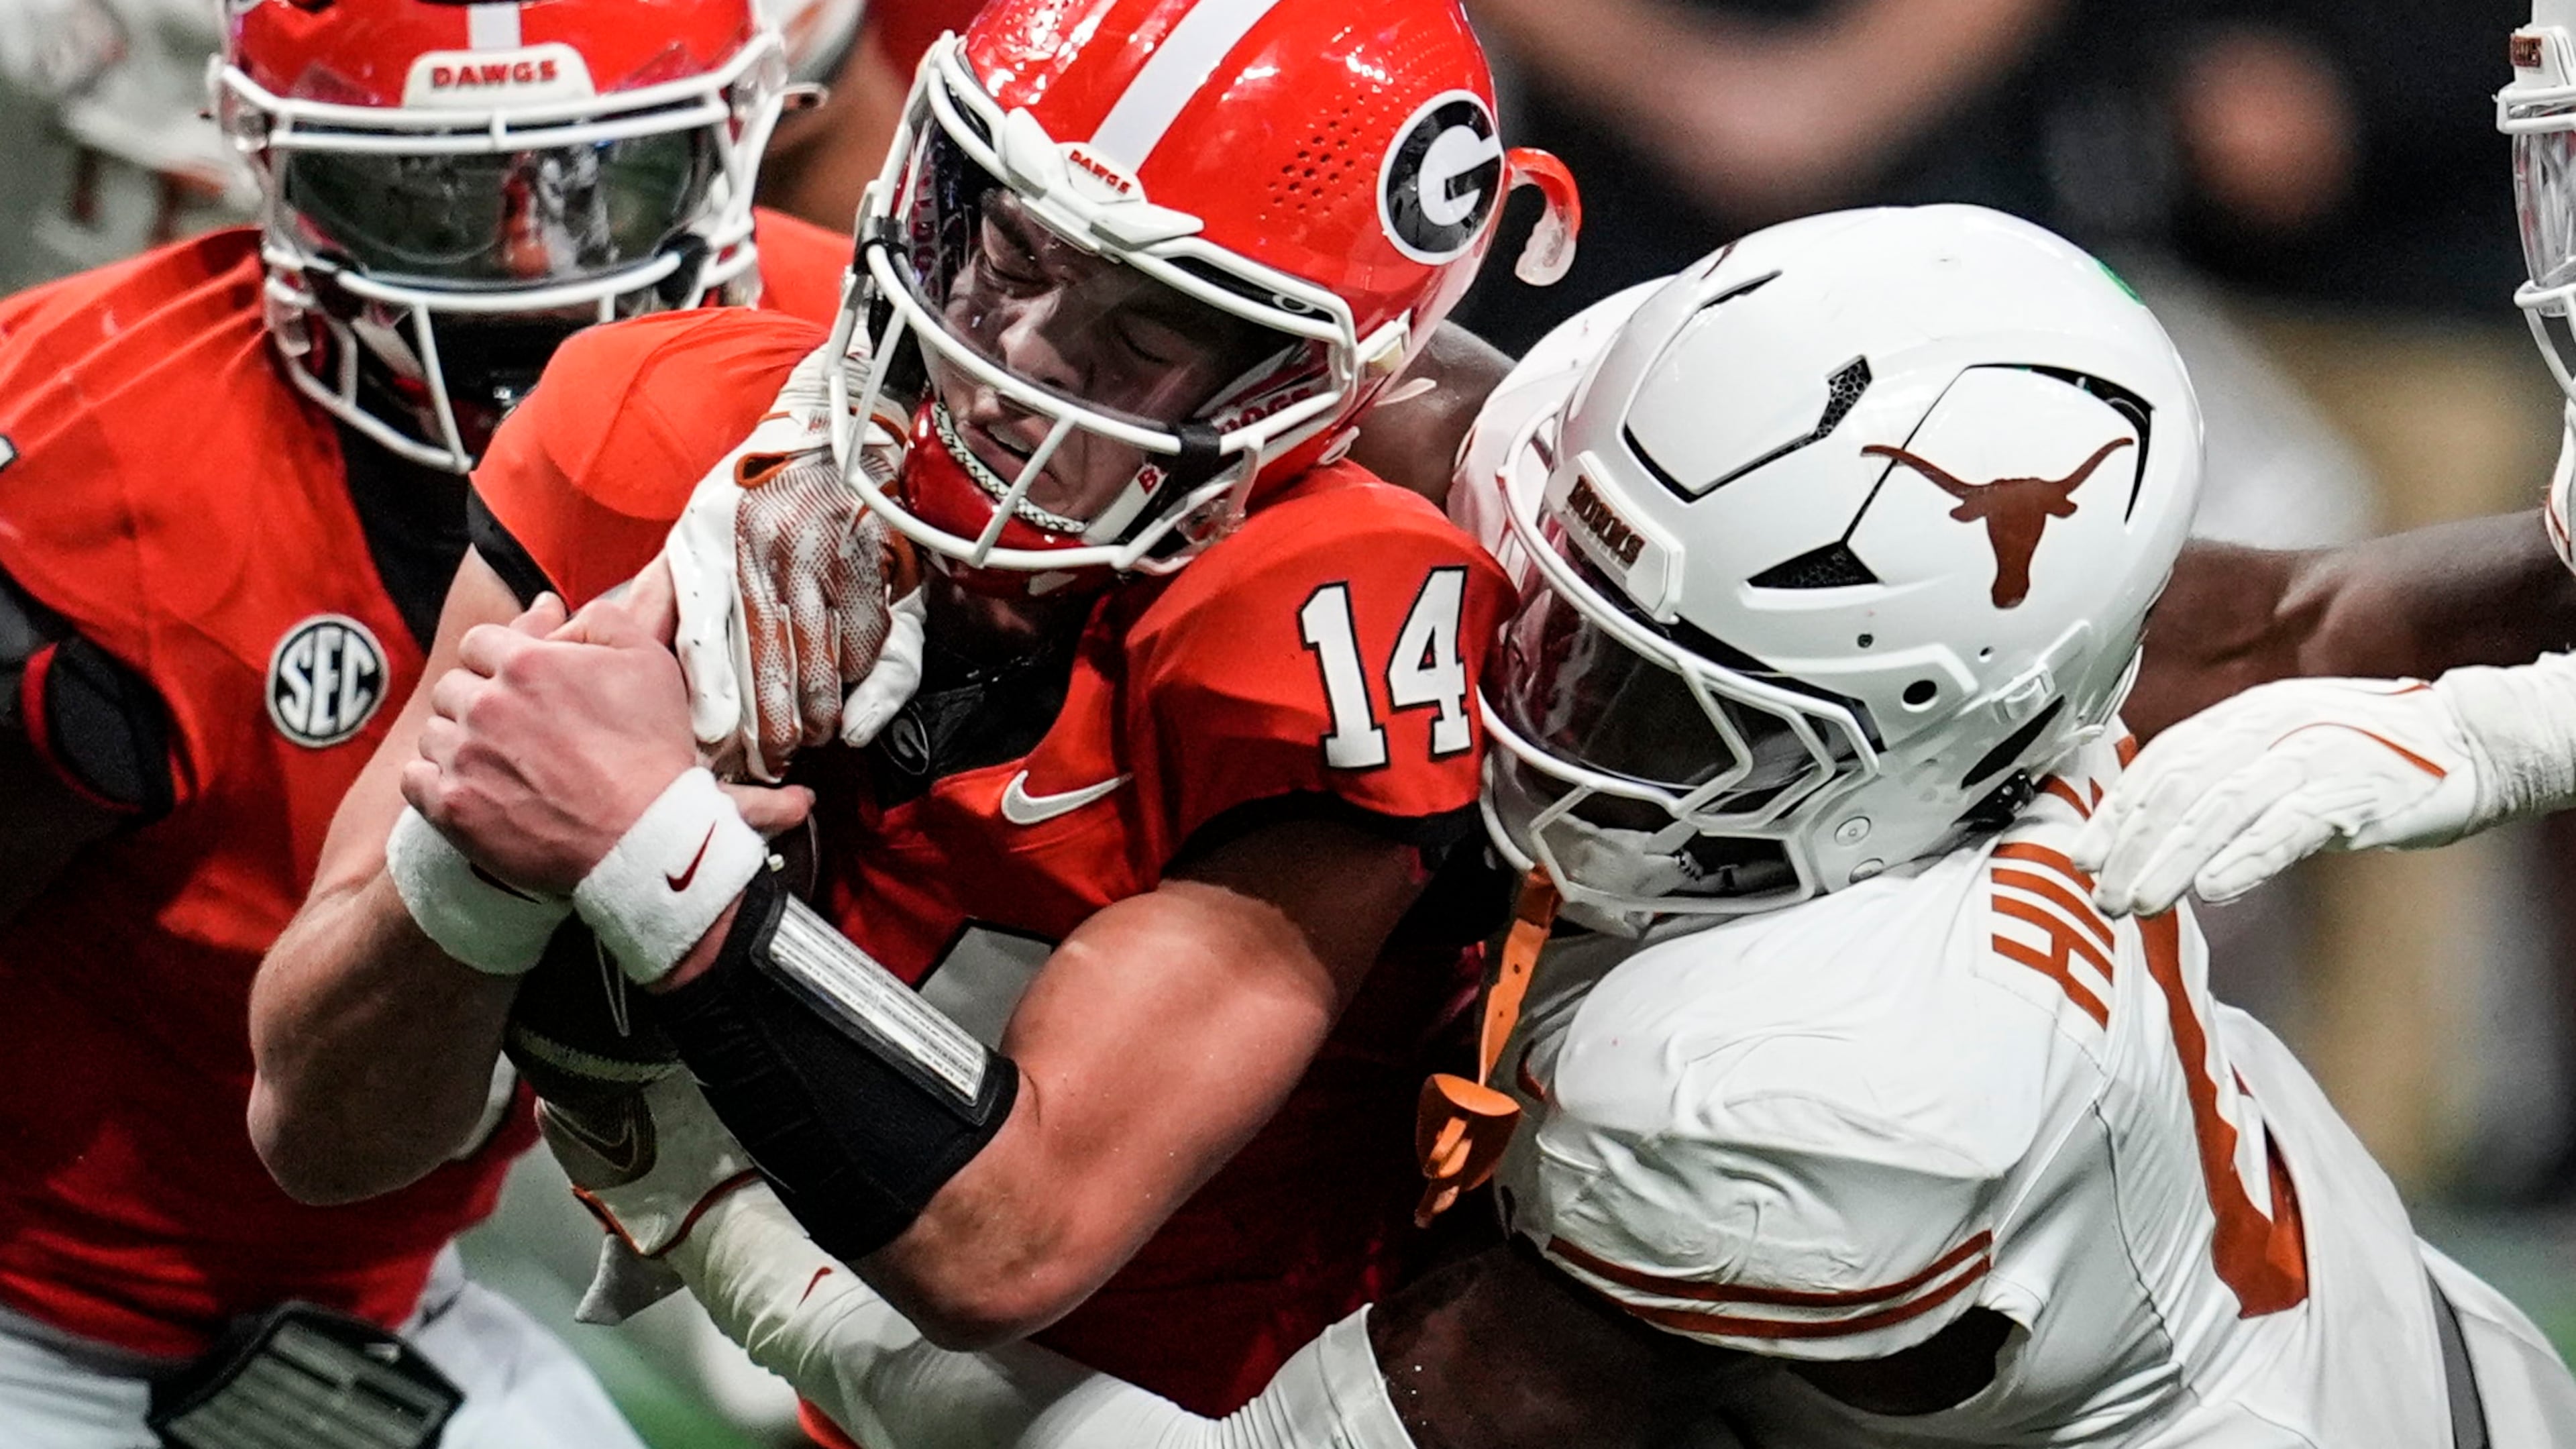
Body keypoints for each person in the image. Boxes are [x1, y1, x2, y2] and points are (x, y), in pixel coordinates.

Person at [591, 205, 2576, 1449]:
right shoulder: (1923, 603)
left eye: (1653, 702)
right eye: (1548, 604)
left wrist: (724, 1215)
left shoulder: (1800, 1085)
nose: (1527, 700)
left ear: (1914, 753)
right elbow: (2308, 615)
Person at [248, 0, 1582, 1421]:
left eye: (1148, 334)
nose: (1024, 353)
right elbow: (315, 1128)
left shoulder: (1336, 612)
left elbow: (1014, 1239)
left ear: (1310, 384)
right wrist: (480, 859)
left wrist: (645, 845)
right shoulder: (663, 419)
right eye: (1010, 247)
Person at [0, 1, 851, 1443]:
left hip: (383, 1306)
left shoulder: (837, 374)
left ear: (745, 134)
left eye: (597, 188)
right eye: (426, 197)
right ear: (263, 164)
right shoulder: (90, 469)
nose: (523, 275)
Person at [2065, 0, 2576, 919]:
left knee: (2400, 838)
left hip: (2433, 320)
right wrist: (2193, 46)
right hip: (2194, 297)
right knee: (2118, 739)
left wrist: (2361, 98)